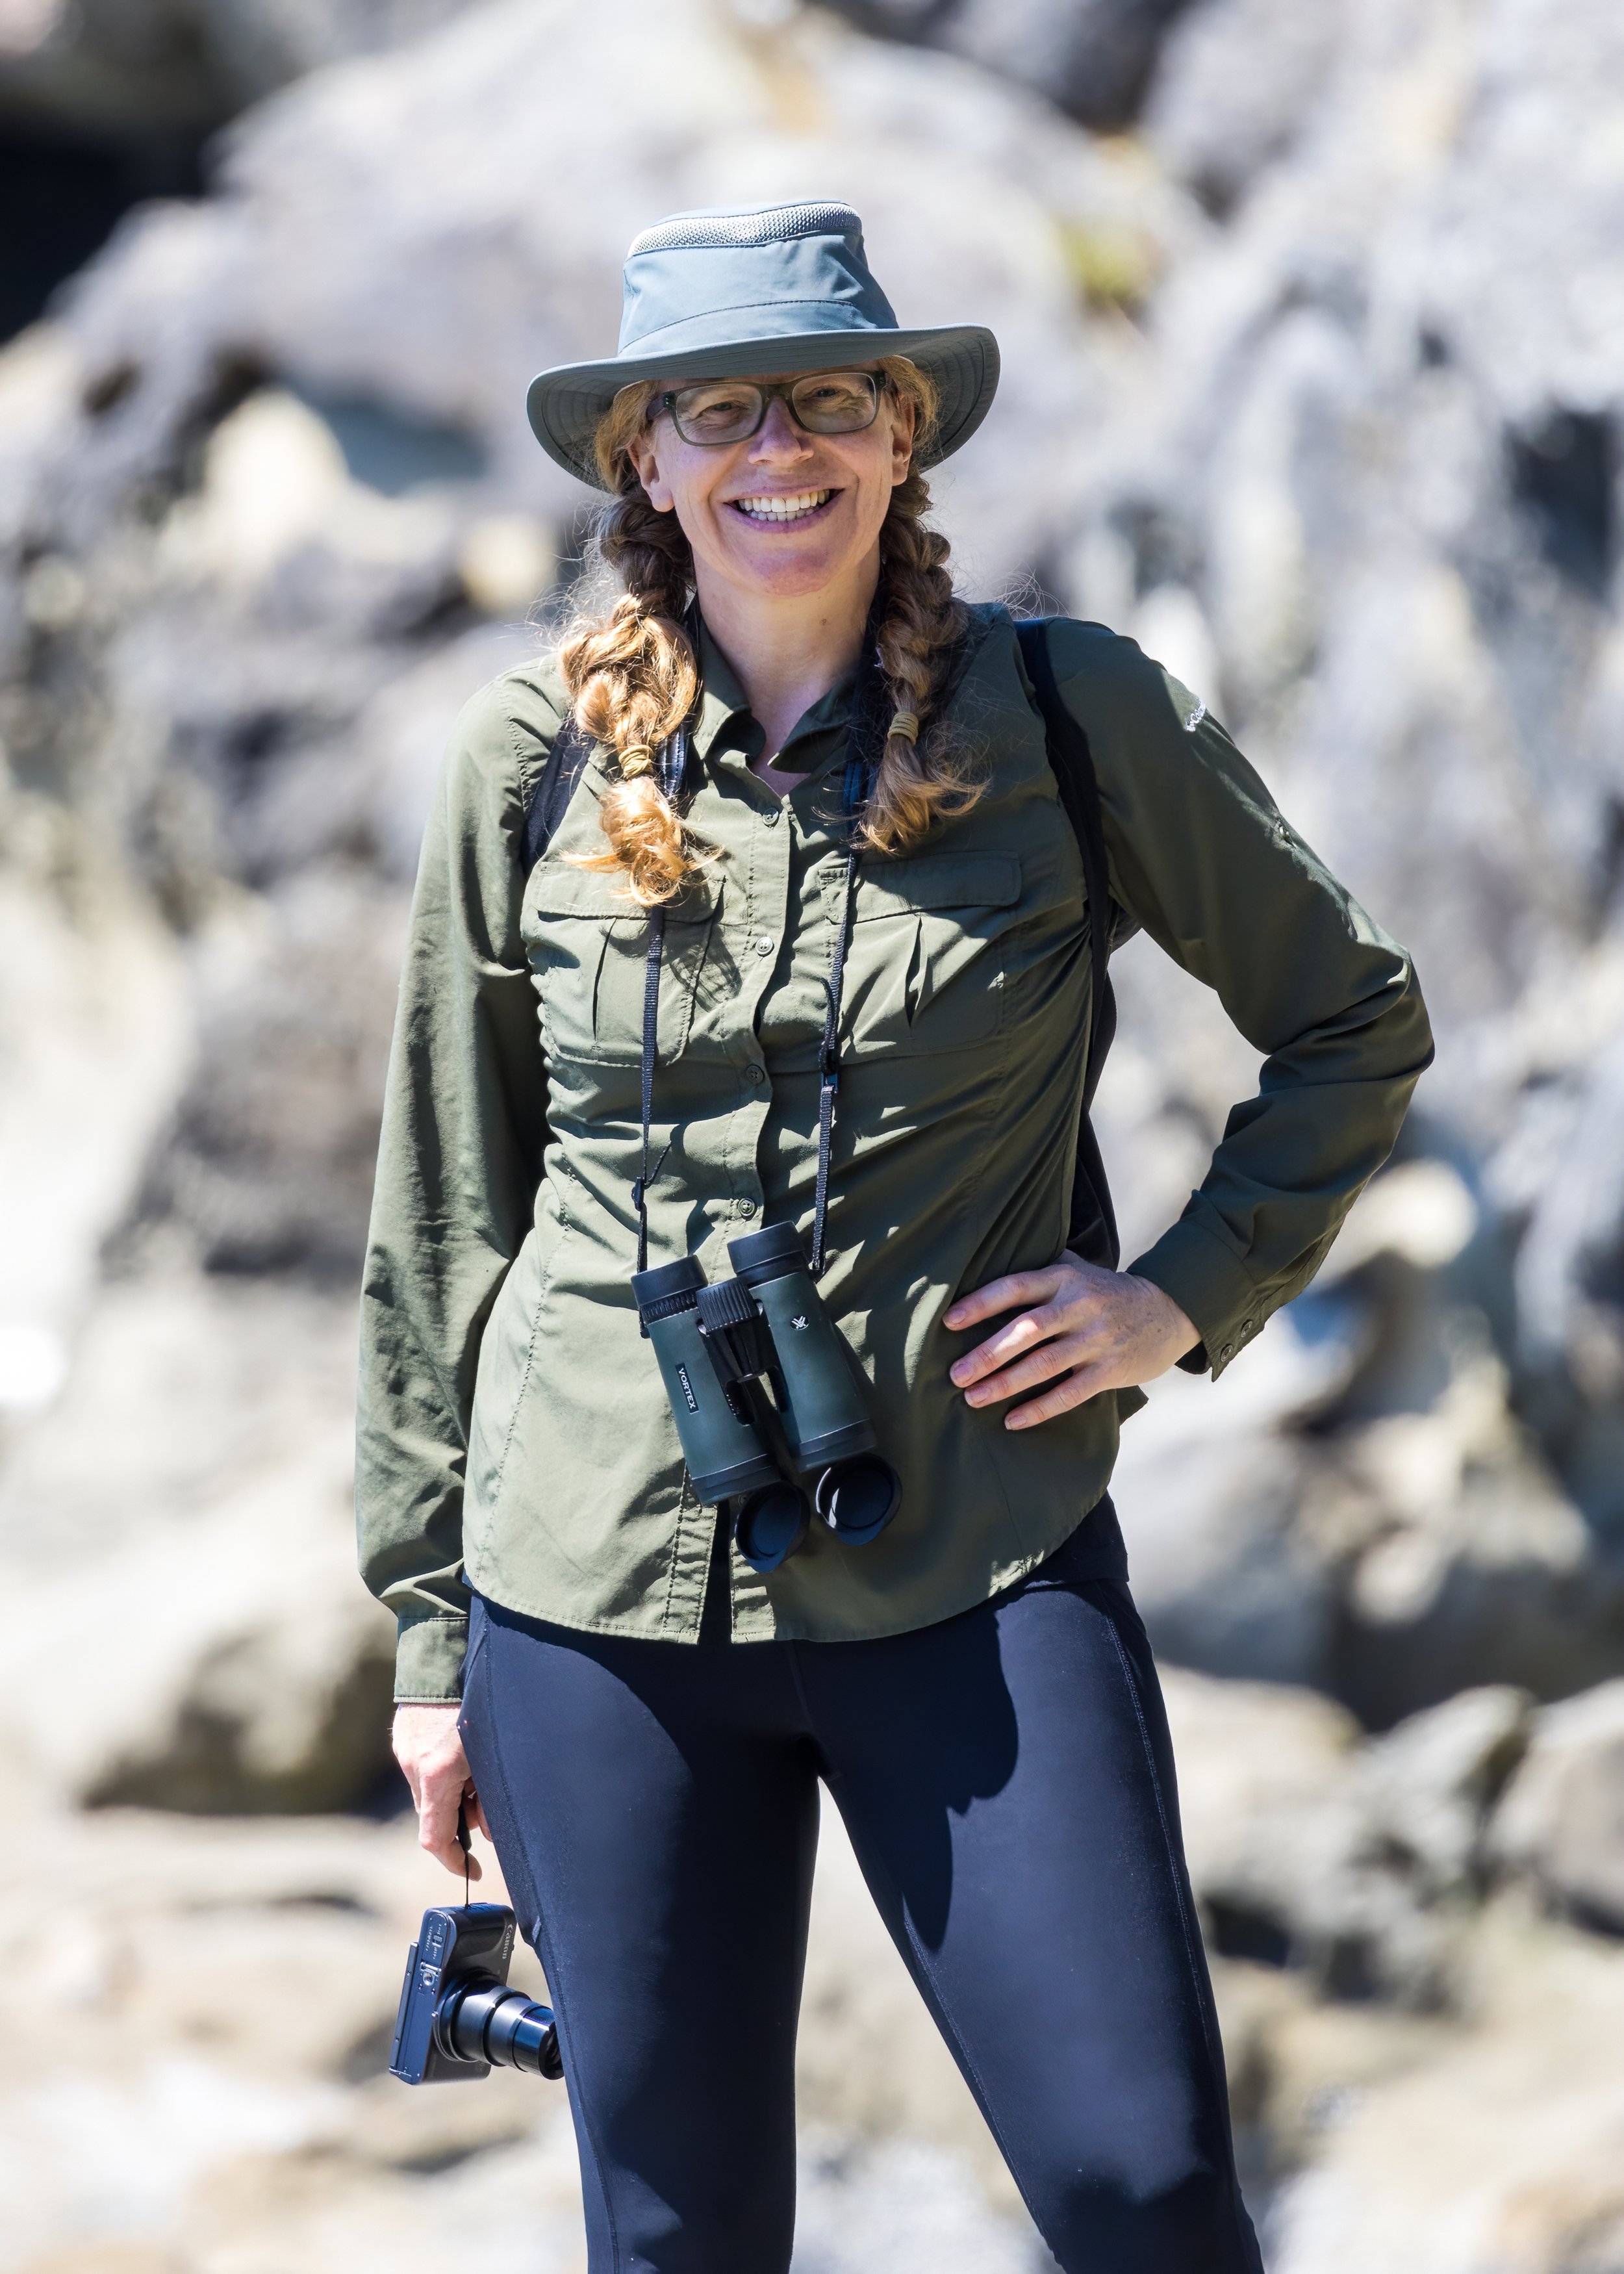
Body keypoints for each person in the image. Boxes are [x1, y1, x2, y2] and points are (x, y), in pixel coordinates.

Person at [358, 201, 1432, 2272]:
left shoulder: (1067, 712)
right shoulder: (526, 764)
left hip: (976, 1546)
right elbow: (445, 1214)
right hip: (589, 1584)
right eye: (721, 409)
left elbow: (1349, 1020)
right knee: (675, 2237)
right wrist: (428, 1641)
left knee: (1141, 2186)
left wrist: (1173, 1299)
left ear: (903, 431)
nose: (784, 449)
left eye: (834, 398)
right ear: (643, 460)